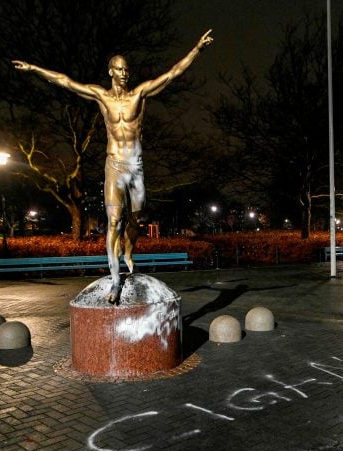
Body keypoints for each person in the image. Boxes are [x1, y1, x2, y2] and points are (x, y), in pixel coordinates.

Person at [13, 29, 213, 303]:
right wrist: (34, 68)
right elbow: (65, 82)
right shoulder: (101, 96)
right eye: (119, 69)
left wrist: (197, 49)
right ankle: (115, 280)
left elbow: (172, 74)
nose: (124, 73)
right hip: (114, 165)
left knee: (135, 219)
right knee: (114, 221)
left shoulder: (139, 94)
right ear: (110, 72)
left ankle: (129, 251)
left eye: (126, 69)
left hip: (136, 167)